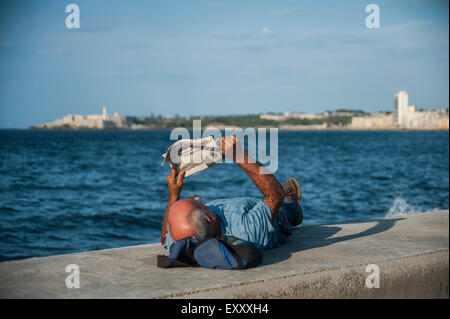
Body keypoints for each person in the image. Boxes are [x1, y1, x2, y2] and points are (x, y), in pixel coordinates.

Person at [161, 135, 303, 253]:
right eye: (197, 201)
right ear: (210, 217)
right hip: (276, 217)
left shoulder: (183, 240)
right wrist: (238, 154)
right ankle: (293, 203)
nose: (199, 199)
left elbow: (164, 240)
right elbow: (276, 195)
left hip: (242, 209)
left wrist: (174, 194)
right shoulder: (245, 231)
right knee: (285, 205)